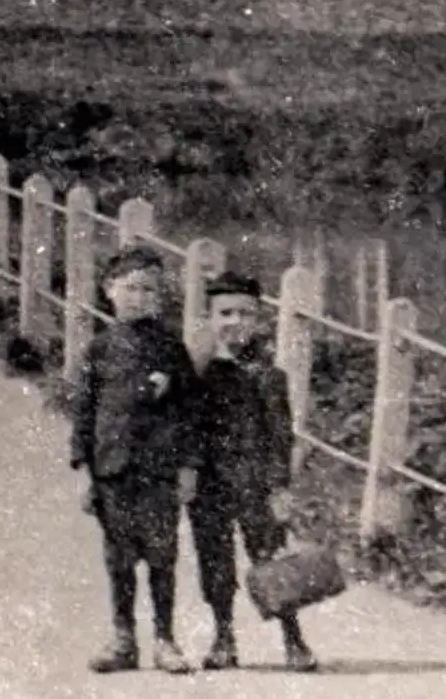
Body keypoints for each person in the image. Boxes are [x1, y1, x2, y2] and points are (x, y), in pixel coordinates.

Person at [71, 245, 199, 675]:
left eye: (148, 290)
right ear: (109, 291)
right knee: (119, 557)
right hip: (113, 469)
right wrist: (83, 471)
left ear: (159, 297)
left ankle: (165, 638)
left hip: (159, 471)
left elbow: (190, 412)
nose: (138, 297)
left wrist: (187, 467)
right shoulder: (99, 349)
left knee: (162, 555)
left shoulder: (171, 348)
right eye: (130, 288)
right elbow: (84, 413)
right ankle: (123, 638)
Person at [192, 269, 319, 672]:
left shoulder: (268, 376)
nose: (234, 322)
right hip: (209, 484)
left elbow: (281, 437)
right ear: (210, 319)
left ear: (259, 320)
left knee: (270, 561)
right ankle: (223, 636)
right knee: (215, 561)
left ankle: (293, 640)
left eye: (245, 314)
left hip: (255, 484)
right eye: (225, 313)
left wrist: (280, 488)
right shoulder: (196, 376)